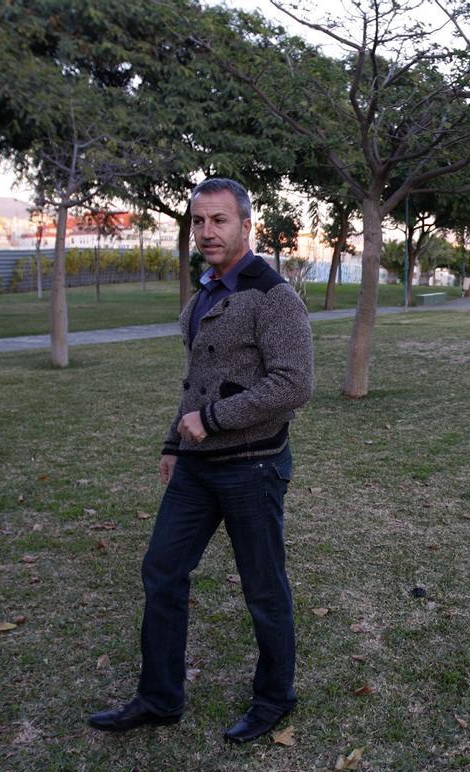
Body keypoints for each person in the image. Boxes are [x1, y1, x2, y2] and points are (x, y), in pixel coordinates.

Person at [87, 178, 313, 743]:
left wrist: (209, 422)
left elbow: (294, 384)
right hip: (195, 469)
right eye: (199, 221)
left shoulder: (274, 297)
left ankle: (275, 696)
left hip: (252, 466)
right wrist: (174, 440)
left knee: (263, 588)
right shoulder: (203, 295)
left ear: (245, 226)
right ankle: (160, 697)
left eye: (219, 221)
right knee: (162, 572)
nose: (207, 232)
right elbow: (197, 385)